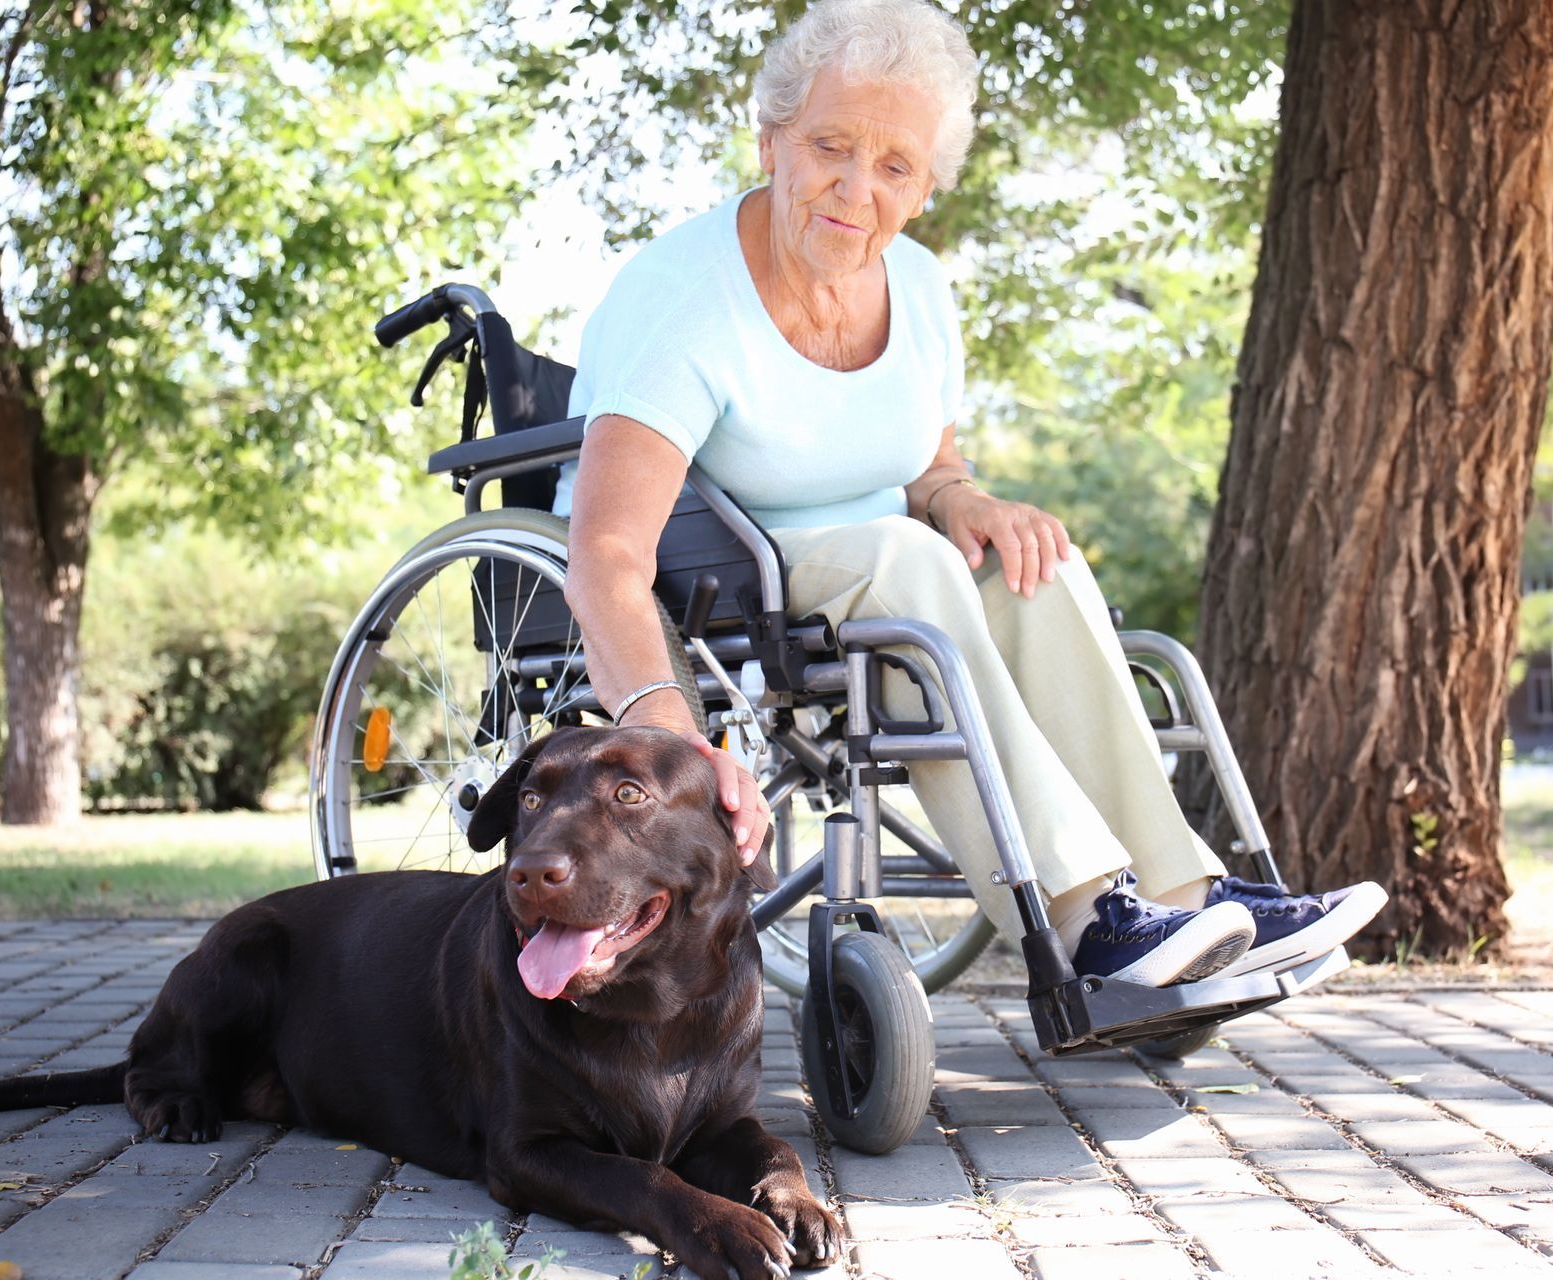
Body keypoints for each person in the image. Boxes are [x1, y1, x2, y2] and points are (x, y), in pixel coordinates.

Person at [557, 0, 1386, 988]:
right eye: (831, 144)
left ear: (925, 188)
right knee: (911, 558)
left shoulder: (920, 287)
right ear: (772, 137)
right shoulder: (686, 302)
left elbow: (930, 468)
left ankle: (1179, 901)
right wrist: (670, 738)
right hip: (723, 570)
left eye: (895, 166)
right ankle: (1084, 918)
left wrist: (967, 501)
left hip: (890, 563)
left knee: (1037, 561)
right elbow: (607, 554)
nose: (857, 188)